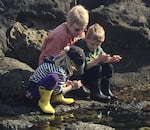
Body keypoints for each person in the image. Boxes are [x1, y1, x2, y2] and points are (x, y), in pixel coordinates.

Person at [26, 46, 86, 114]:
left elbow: (60, 82)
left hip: (37, 85)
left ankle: (57, 98)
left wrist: (68, 82)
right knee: (54, 78)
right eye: (75, 66)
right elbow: (58, 91)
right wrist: (72, 87)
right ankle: (44, 102)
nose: (75, 68)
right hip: (34, 93)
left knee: (60, 77)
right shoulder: (59, 71)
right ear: (71, 62)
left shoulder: (55, 61)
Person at [75, 23, 122, 102]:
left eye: (97, 45)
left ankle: (105, 90)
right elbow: (84, 67)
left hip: (94, 73)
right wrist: (98, 60)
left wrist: (111, 59)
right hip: (83, 75)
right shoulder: (82, 47)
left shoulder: (97, 48)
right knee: (97, 68)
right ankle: (95, 92)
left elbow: (103, 58)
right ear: (86, 38)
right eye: (92, 44)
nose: (94, 47)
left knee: (108, 66)